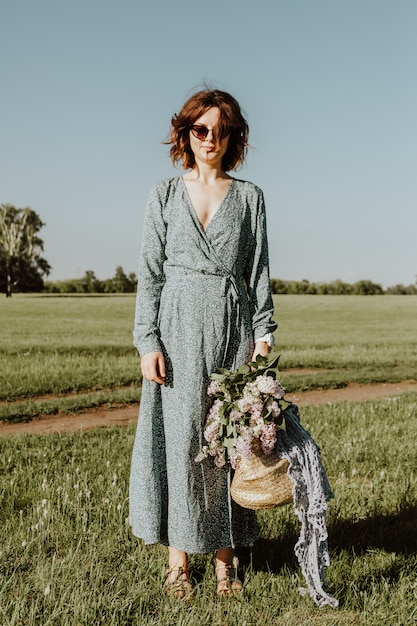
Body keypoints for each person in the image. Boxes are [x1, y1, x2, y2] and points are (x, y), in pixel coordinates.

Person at [129, 88, 277, 598]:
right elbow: (149, 277)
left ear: (233, 136)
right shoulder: (163, 196)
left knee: (225, 446)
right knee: (180, 444)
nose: (210, 139)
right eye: (201, 129)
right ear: (185, 133)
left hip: (232, 332)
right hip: (175, 332)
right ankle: (177, 563)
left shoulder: (251, 197)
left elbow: (258, 276)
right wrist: (147, 341)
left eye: (221, 130)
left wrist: (263, 337)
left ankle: (225, 560)